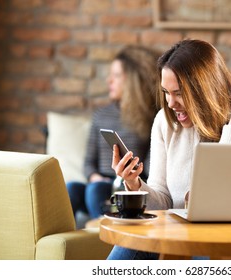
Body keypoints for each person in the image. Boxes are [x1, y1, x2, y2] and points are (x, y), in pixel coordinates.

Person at [107, 39, 231, 260]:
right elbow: (163, 204)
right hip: (181, 236)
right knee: (131, 243)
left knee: (199, 252)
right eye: (166, 92)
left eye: (179, 93)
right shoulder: (166, 122)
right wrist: (134, 183)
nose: (170, 103)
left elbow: (218, 201)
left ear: (205, 90)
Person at [66, 45, 161, 222]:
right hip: (98, 184)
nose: (109, 80)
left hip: (126, 185)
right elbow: (88, 162)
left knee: (96, 190)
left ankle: (104, 238)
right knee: (71, 188)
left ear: (132, 80)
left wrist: (127, 177)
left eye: (116, 76)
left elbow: (149, 170)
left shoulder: (152, 118)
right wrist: (95, 177)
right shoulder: (100, 115)